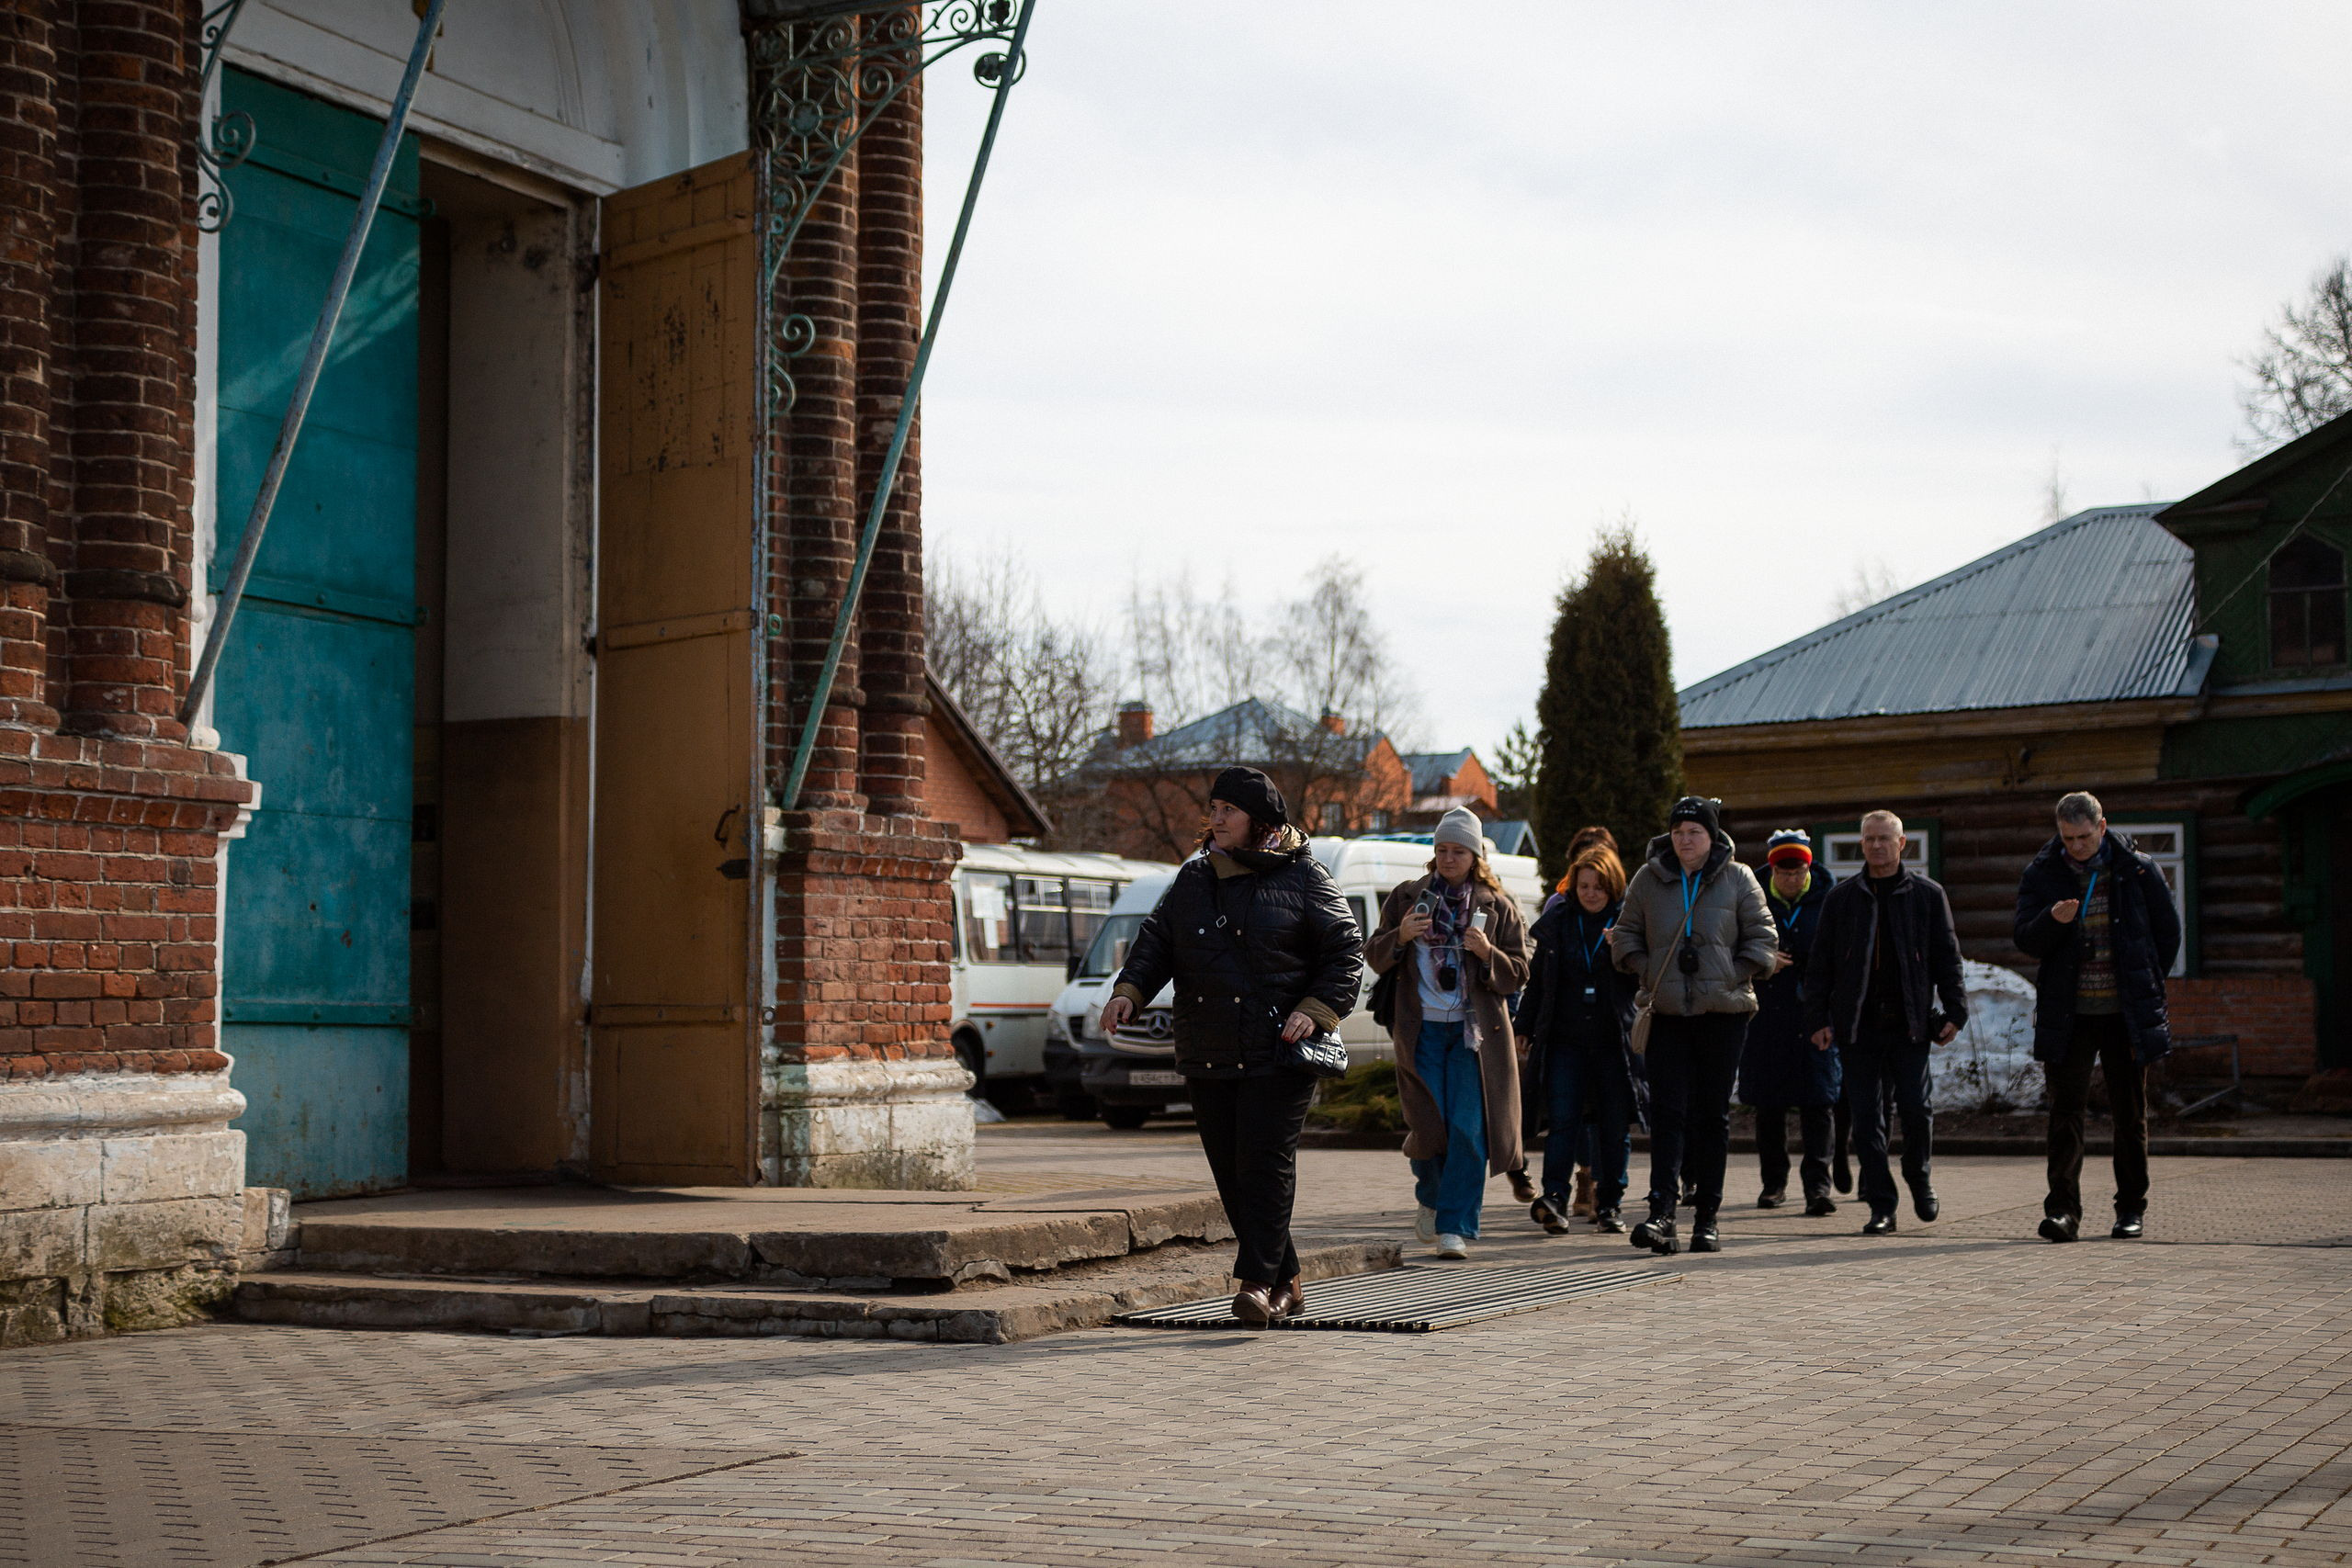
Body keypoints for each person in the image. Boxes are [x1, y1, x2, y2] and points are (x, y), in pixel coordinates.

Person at [1102, 766, 1362, 1325]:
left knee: (1263, 1166)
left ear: (1259, 822)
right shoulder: (1195, 878)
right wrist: (1130, 992)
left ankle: (1257, 1284)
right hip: (1209, 1046)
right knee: (1231, 1173)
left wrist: (1314, 1012)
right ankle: (1288, 1277)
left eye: (1228, 811)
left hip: (1279, 1050)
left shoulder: (1305, 877)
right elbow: (1158, 941)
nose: (1215, 819)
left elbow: (1346, 953)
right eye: (1213, 808)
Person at [1610, 796, 1777, 1257]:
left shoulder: (1738, 878)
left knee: (1711, 1116)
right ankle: (1662, 1212)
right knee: (1667, 1115)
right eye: (1679, 830)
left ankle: (1708, 1218)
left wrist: (1735, 973)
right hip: (1666, 1015)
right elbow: (1624, 935)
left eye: (1695, 831)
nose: (1686, 839)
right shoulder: (1648, 878)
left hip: (1723, 1015)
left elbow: (1764, 937)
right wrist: (1646, 970)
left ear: (1712, 836)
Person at [1365, 806, 1532, 1259]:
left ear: (1475, 856)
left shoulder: (1498, 906)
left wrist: (1488, 951)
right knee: (1427, 1125)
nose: (1448, 858)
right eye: (1441, 849)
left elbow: (1518, 973)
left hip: (1473, 1038)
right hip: (1419, 1033)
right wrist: (1399, 937)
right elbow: (1374, 955)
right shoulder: (1406, 897)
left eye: (1458, 851)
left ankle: (1454, 1227)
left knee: (1468, 1131)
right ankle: (1431, 1196)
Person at [2014, 791, 2178, 1243]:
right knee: (2065, 1114)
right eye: (2068, 839)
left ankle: (2131, 1210)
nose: (2077, 847)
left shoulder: (2138, 871)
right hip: (2070, 1014)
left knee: (2130, 1115)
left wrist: (2144, 985)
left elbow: (2167, 935)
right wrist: (2052, 919)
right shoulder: (2043, 872)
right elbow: (2026, 939)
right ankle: (2064, 1212)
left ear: (2102, 827)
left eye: (2084, 837)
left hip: (2124, 1012)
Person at [1803, 810, 1966, 1235]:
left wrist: (1955, 1012)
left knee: (1916, 1108)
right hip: (1857, 1025)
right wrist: (1817, 1017)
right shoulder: (1841, 898)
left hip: (1910, 1023)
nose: (1877, 846)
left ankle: (1919, 1175)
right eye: (1869, 839)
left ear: (1902, 844)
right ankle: (1882, 1205)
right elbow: (1820, 965)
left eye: (1884, 839)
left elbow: (1947, 959)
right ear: (1862, 845)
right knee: (1866, 1118)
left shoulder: (1928, 896)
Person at [1520, 844, 1641, 1234]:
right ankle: (1554, 1198)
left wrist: (1620, 953)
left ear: (1614, 887)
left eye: (1599, 887)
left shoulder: (1628, 925)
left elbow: (1645, 979)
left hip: (1613, 1041)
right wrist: (1524, 1026)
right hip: (1564, 1040)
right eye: (1584, 885)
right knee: (1563, 1120)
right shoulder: (1558, 922)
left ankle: (1610, 1203)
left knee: (1613, 1125)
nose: (1591, 893)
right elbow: (1538, 982)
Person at [1737, 829, 1840, 1215]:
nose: (1792, 880)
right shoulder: (1751, 897)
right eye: (1784, 873)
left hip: (1815, 1012)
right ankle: (1773, 1184)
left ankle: (1818, 1186)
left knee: (1819, 1103)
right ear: (1773, 869)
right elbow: (1732, 944)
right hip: (1765, 1015)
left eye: (1798, 872)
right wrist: (1764, 959)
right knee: (1769, 1106)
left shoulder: (1828, 899)